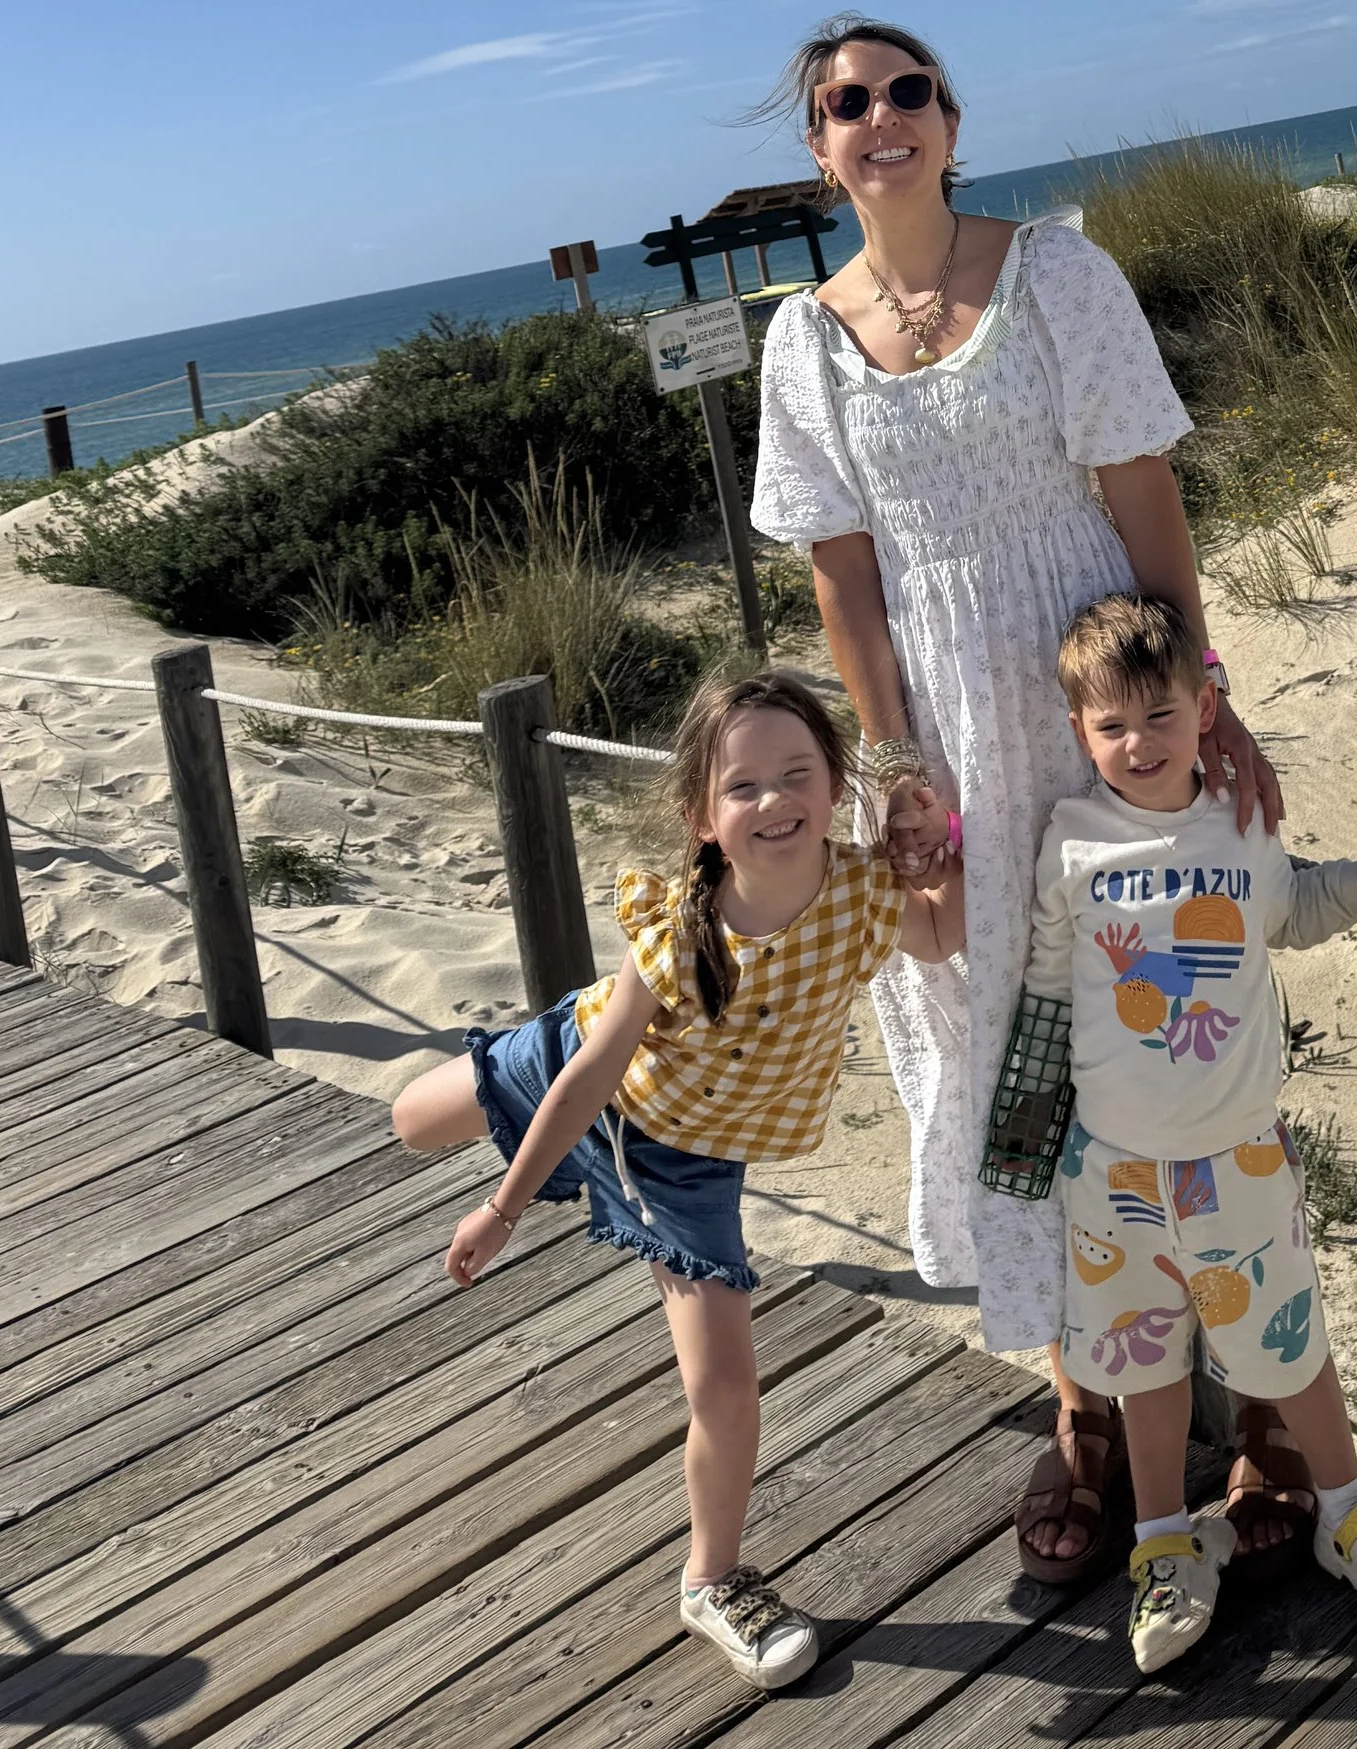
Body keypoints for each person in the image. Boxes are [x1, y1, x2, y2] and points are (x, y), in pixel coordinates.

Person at [748, 14, 1309, 1587]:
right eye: (843, 104)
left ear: (949, 115)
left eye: (905, 91)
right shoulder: (803, 340)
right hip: (951, 760)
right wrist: (896, 769)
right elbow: (843, 580)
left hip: (1096, 718)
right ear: (818, 147)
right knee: (1011, 1062)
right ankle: (1086, 1413)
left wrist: (1202, 701)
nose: (880, 118)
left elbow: (1145, 500)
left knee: (1175, 1037)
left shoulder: (1058, 275)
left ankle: (1264, 1409)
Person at [390, 671, 962, 1690]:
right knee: (410, 1122)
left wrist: (934, 845)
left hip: (681, 1164)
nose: (774, 802)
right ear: (701, 815)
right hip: (585, 1072)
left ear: (836, 786)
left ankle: (712, 1582)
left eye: (798, 775)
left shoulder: (862, 896)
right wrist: (499, 1209)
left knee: (726, 1386)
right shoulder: (679, 937)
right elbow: (584, 1084)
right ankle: (503, 1070)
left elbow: (941, 929)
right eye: (742, 787)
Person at [1011, 591, 1357, 1672]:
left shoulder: (1239, 823)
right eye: (1112, 726)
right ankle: (1164, 1541)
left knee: (1286, 1340)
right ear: (1079, 731)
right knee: (1145, 1362)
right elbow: (1041, 986)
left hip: (1240, 1160)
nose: (1138, 744)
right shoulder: (1069, 841)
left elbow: (1291, 910)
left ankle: (1349, 1508)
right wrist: (1026, 1127)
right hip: (1110, 1169)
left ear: (1205, 706)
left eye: (1160, 716)